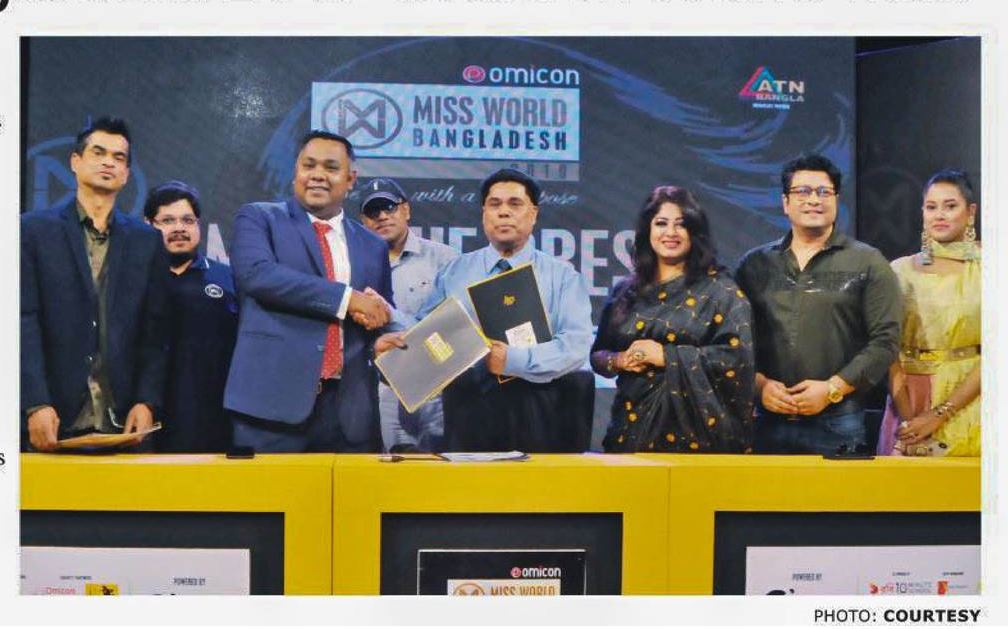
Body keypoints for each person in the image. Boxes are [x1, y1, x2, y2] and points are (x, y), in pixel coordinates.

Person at [377, 168, 594, 452]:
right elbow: (426, 332)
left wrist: (513, 359)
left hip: (539, 410)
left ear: (533, 214)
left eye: (515, 204)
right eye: (494, 204)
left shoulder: (563, 276)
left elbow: (575, 346)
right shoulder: (455, 272)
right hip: (468, 413)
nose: (503, 212)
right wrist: (394, 345)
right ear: (483, 214)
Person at [224, 130, 393, 453]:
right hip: (271, 409)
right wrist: (347, 298)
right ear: (295, 173)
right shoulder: (259, 218)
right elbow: (257, 275)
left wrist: (378, 342)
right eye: (308, 165)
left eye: (331, 167)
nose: (317, 175)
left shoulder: (373, 245)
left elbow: (375, 315)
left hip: (349, 415)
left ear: (350, 179)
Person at [735, 154, 901, 455]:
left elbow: (885, 341)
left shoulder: (868, 262)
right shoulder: (754, 265)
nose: (814, 199)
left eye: (823, 192)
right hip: (767, 420)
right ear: (785, 202)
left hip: (840, 421)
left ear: (836, 200)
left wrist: (832, 389)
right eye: (802, 191)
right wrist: (760, 386)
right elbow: (734, 342)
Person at [21, 116, 169, 451]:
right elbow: (22, 322)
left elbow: (155, 332)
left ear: (126, 174)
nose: (108, 162)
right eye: (98, 152)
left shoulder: (146, 241)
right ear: (75, 161)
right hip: (53, 419)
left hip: (123, 424)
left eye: (118, 157)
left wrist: (146, 401)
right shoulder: (32, 232)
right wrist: (34, 402)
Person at [590, 186, 755, 452]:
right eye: (661, 223)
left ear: (695, 232)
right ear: (648, 230)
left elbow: (737, 359)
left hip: (700, 440)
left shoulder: (720, 291)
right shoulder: (626, 291)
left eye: (681, 224)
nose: (670, 233)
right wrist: (619, 360)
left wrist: (666, 356)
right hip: (630, 431)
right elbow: (598, 354)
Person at [877, 169, 980, 457]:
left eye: (950, 206)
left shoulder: (990, 268)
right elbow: (887, 347)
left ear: (970, 212)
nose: (939, 215)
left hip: (971, 396)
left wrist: (941, 413)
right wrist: (909, 419)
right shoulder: (898, 271)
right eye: (931, 207)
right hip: (907, 397)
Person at [359, 177, 458, 452]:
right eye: (373, 211)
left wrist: (390, 316)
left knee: (440, 469)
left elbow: (457, 326)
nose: (382, 216)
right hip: (384, 388)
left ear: (406, 210)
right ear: (363, 221)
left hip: (437, 384)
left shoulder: (445, 259)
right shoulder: (356, 266)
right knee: (391, 467)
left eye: (389, 207)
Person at [143, 180, 238, 453]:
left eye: (187, 220)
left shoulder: (228, 279)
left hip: (213, 422)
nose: (179, 228)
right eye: (167, 221)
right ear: (148, 224)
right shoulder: (133, 280)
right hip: (144, 419)